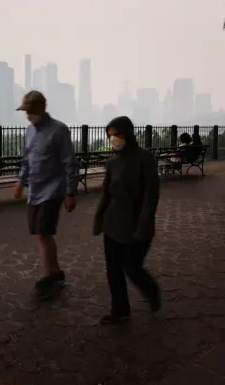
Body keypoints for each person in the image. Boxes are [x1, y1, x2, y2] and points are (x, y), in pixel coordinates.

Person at [92, 116, 161, 324]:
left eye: (117, 135)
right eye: (110, 136)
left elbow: (151, 196)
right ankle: (120, 310)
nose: (114, 140)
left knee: (132, 267)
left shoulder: (145, 159)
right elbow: (106, 194)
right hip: (113, 224)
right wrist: (99, 219)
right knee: (113, 270)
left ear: (128, 135)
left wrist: (143, 226)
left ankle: (151, 290)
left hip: (137, 225)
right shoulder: (112, 162)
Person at [14, 90, 79, 300]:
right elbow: (27, 159)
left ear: (42, 108)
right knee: (41, 234)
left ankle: (49, 275)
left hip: (53, 190)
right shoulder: (30, 131)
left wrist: (70, 192)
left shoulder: (58, 130)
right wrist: (20, 183)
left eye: (30, 110)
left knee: (44, 232)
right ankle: (56, 271)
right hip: (35, 190)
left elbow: (70, 163)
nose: (28, 115)